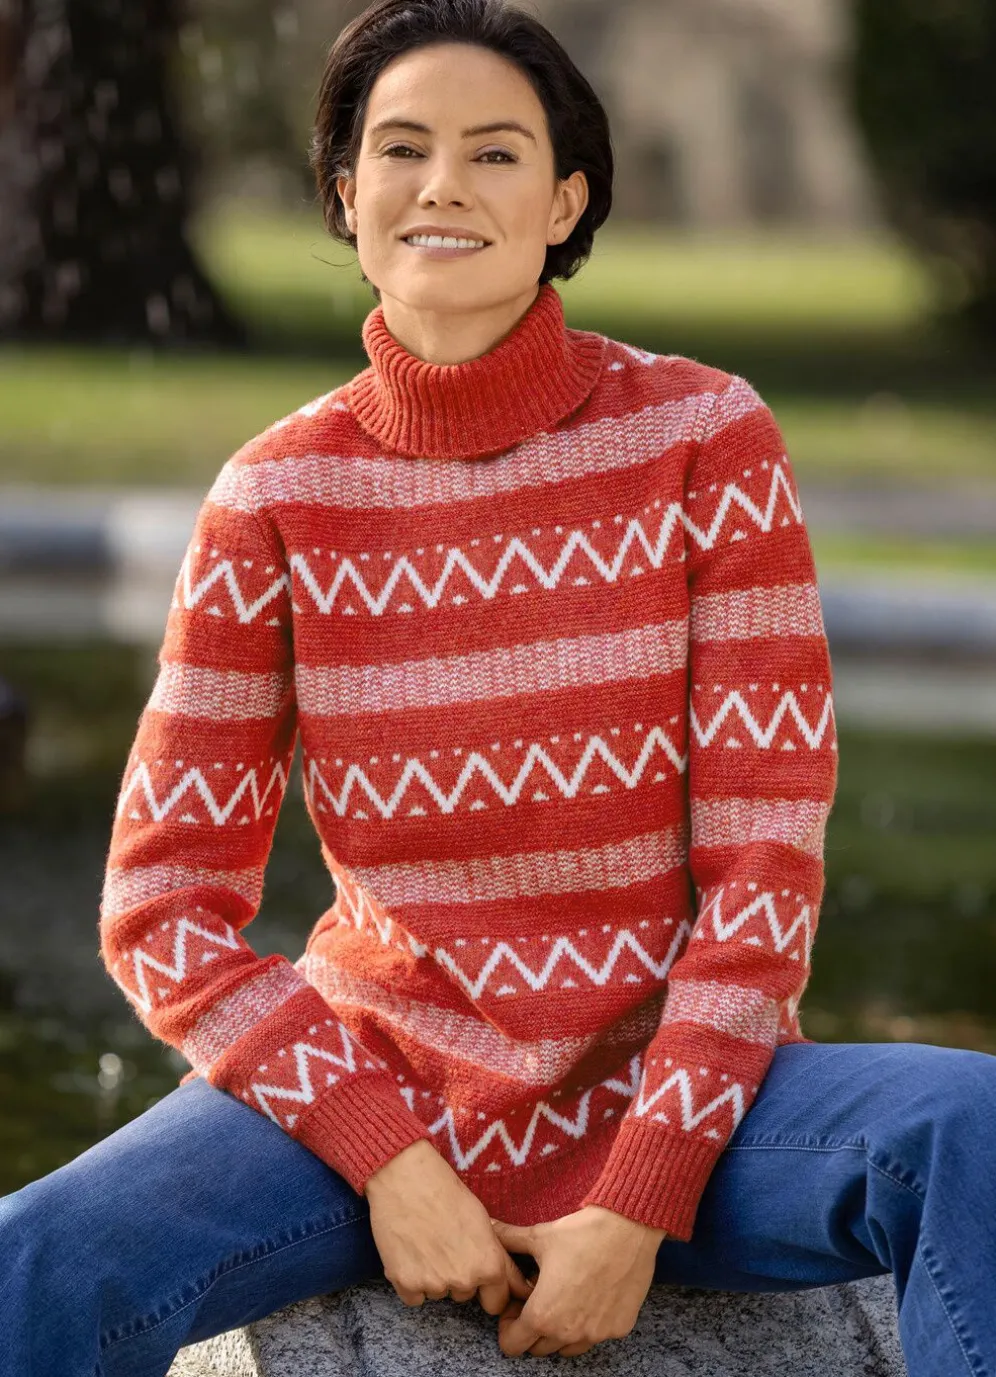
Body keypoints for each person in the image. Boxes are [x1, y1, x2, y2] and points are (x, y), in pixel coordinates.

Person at [3, 1, 995, 1373]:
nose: (444, 186)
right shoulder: (275, 499)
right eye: (402, 149)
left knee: (971, 1130)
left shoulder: (705, 439)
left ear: (565, 200)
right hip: (369, 1111)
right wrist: (386, 1159)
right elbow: (162, 906)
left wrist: (640, 1199)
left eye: (495, 153)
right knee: (29, 1262)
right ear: (345, 195)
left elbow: (764, 871)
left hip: (702, 1120)